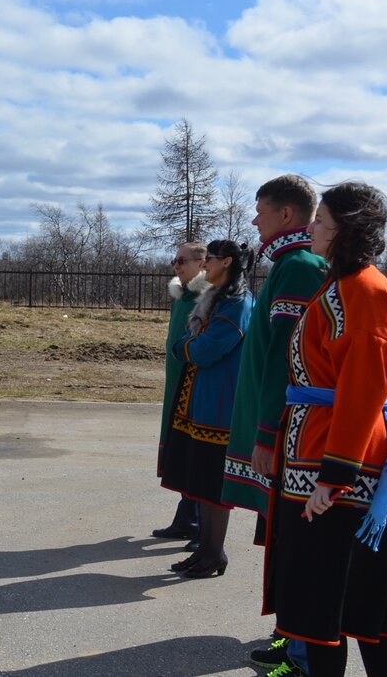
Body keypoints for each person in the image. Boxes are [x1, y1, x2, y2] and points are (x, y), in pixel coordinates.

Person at [264, 182, 387, 677]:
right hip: (315, 455)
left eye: (321, 220)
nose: (311, 226)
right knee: (325, 610)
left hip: (338, 469)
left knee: (349, 607)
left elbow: (361, 388)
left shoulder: (366, 291)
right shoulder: (341, 285)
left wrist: (335, 476)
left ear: (345, 229)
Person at [220, 175, 328, 676]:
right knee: (280, 536)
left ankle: (301, 652)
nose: (254, 219)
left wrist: (267, 434)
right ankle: (290, 636)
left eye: (260, 209)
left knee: (294, 540)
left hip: (291, 435)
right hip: (283, 429)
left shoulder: (300, 266)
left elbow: (289, 359)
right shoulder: (288, 263)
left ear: (287, 215)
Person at [159, 239, 253, 578]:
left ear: (225, 262)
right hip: (202, 400)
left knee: (214, 481)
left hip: (220, 404)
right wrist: (189, 344)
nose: (205, 265)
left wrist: (184, 346)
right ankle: (205, 549)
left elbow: (206, 349)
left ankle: (215, 553)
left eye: (209, 259)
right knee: (202, 478)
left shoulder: (237, 303)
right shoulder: (217, 298)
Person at [153, 242, 210, 543]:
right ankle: (187, 515)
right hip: (176, 381)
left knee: (195, 449)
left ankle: (198, 520)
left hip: (194, 384)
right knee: (181, 448)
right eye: (174, 260)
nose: (176, 265)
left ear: (202, 263)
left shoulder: (207, 295)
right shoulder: (183, 296)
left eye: (182, 260)